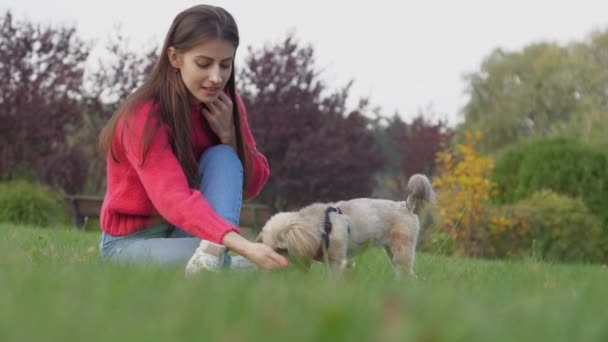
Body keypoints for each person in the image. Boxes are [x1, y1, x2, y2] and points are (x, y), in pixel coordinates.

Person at [97, 4, 288, 272]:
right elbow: (172, 198)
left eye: (225, 65)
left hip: (187, 232)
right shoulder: (142, 115)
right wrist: (244, 247)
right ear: (175, 57)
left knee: (223, 156)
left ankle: (215, 259)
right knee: (223, 260)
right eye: (204, 63)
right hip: (128, 246)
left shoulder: (225, 105)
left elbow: (253, 185)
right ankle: (242, 263)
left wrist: (231, 139)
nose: (216, 77)